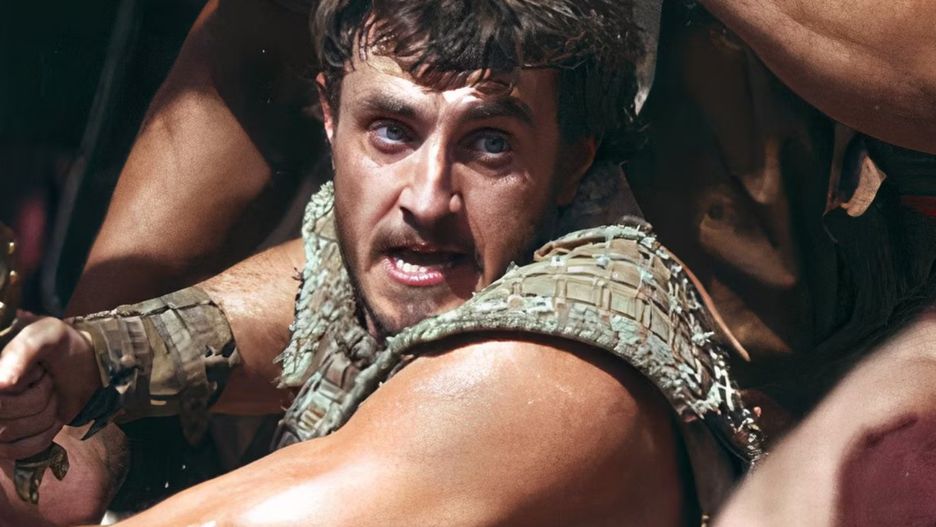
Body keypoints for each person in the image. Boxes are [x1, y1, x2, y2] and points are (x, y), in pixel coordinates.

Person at [0, 1, 764, 525]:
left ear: (573, 162)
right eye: (393, 131)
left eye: (489, 143)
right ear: (328, 118)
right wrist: (95, 356)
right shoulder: (442, 258)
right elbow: (308, 290)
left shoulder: (553, 369)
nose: (428, 199)